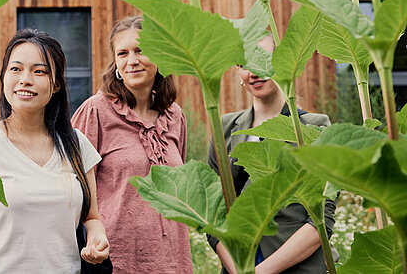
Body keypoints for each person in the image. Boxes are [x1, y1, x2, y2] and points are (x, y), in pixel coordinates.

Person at [0, 29, 109, 274]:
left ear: (56, 84)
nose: (25, 79)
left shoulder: (77, 144)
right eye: (15, 69)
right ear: (4, 77)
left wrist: (96, 239)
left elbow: (92, 217)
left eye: (39, 71)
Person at [71, 15, 192, 274]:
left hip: (173, 260)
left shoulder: (176, 116)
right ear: (115, 62)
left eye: (141, 50)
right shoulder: (95, 112)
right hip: (116, 261)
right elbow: (69, 188)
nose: (132, 60)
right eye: (123, 53)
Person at [207, 36, 335, 274]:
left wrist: (259, 272)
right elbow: (213, 215)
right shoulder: (222, 128)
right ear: (238, 72)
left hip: (298, 267)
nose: (254, 71)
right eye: (244, 63)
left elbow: (320, 221)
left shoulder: (313, 129)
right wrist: (240, 270)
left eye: (263, 59)